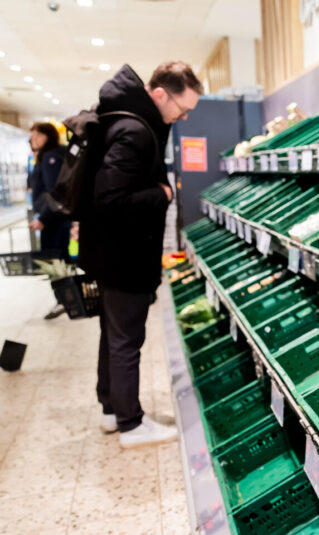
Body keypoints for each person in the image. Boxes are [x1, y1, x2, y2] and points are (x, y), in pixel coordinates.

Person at [79, 62, 202, 448]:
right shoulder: (134, 130)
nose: (184, 116)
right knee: (126, 340)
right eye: (182, 108)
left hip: (114, 254)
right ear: (161, 93)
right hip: (124, 256)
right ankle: (132, 424)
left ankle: (111, 410)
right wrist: (162, 194)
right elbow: (111, 199)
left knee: (113, 335)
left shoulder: (128, 120)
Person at [28, 122, 71, 320]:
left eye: (37, 135)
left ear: (47, 136)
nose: (33, 140)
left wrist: (43, 218)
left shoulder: (51, 156)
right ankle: (68, 298)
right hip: (55, 217)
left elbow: (54, 190)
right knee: (59, 260)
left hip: (53, 219)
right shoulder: (50, 155)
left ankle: (65, 299)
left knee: (53, 261)